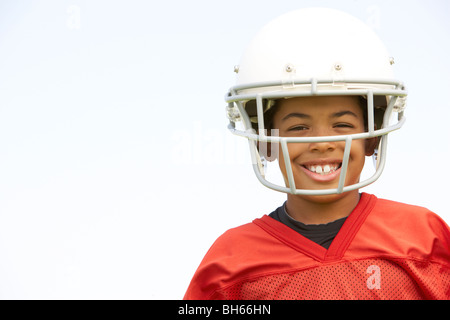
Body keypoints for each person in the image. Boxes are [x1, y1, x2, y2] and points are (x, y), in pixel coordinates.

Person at [184, 8, 450, 300]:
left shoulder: (424, 237)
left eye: (342, 125)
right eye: (298, 127)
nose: (322, 143)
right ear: (266, 141)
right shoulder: (231, 262)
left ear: (372, 138)